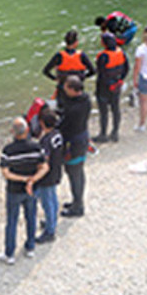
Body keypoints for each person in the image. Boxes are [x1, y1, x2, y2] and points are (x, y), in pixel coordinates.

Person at [0, 117, 47, 265]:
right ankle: (30, 247)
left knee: (12, 220)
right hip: (32, 189)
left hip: (14, 190)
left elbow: (6, 172)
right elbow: (44, 167)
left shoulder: (8, 150)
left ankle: (9, 253)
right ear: (27, 130)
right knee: (31, 217)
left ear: (13, 132)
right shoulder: (36, 147)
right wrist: (32, 179)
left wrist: (23, 179)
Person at [56, 75, 91, 218]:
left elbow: (62, 126)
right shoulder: (86, 99)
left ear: (71, 89)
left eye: (65, 88)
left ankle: (78, 206)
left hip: (73, 144)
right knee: (78, 172)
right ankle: (77, 201)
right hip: (83, 138)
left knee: (74, 173)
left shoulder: (73, 110)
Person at [34, 107, 63, 243]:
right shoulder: (57, 134)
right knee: (53, 198)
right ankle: (52, 221)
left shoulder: (46, 141)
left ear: (42, 124)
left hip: (47, 175)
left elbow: (44, 159)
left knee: (47, 202)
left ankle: (50, 231)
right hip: (57, 170)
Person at [93, 33, 129, 143]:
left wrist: (108, 84)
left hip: (104, 88)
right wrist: (119, 80)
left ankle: (103, 134)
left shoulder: (103, 56)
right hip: (116, 86)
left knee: (103, 111)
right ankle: (115, 133)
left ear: (104, 43)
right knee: (115, 109)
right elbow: (127, 68)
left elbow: (101, 73)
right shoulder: (121, 52)